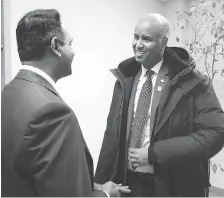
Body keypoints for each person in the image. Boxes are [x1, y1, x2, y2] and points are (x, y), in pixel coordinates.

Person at [1, 9, 131, 197]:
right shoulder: (53, 113)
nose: (74, 52)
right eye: (70, 43)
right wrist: (106, 193)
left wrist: (90, 186)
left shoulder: (8, 93)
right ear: (55, 47)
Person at [94, 13, 224, 197]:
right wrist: (100, 182)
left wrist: (155, 153)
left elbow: (215, 133)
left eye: (146, 39)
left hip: (172, 187)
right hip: (126, 183)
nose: (138, 44)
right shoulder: (124, 79)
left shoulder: (193, 82)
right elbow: (111, 134)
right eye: (136, 37)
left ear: (163, 43)